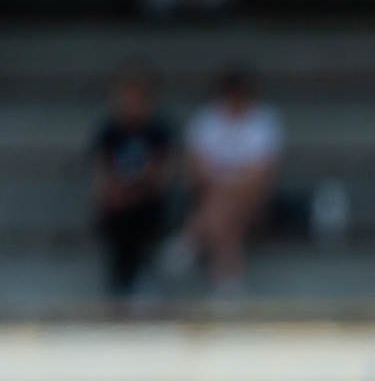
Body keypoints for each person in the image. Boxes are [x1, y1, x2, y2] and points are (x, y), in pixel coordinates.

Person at [182, 66, 282, 291]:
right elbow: (197, 168)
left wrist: (226, 185)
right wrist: (224, 186)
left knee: (225, 205)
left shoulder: (264, 120)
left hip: (252, 196)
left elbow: (262, 174)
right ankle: (229, 277)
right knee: (226, 216)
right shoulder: (206, 119)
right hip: (212, 193)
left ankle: (194, 235)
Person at [90, 63, 175, 306]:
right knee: (115, 212)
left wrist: (135, 189)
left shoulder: (159, 130)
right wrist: (111, 190)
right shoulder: (109, 130)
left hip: (147, 198)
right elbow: (100, 171)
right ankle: (121, 281)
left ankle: (140, 274)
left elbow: (162, 174)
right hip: (117, 198)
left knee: (140, 213)